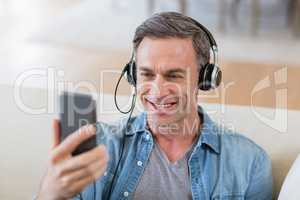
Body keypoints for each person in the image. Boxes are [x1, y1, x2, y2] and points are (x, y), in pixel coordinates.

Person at [36, 12, 273, 200]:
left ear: (204, 80)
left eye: (173, 76)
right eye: (147, 74)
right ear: (132, 75)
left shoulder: (250, 162)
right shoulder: (101, 146)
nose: (157, 92)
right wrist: (50, 194)